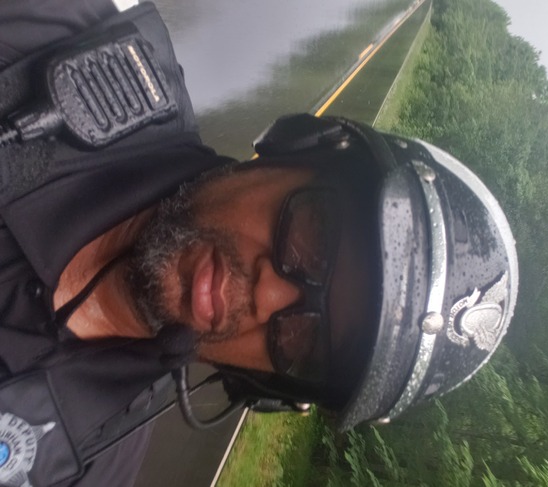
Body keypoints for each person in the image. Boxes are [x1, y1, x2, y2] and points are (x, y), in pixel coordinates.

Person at [0, 0, 518, 486]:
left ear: (265, 384)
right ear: (294, 149)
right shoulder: (56, 37)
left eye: (307, 341)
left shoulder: (86, 469)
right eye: (314, 240)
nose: (268, 297)